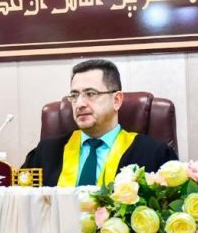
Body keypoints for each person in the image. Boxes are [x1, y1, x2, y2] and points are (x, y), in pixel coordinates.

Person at [22, 59, 178, 186]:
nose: (79, 104)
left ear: (116, 100)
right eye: (74, 95)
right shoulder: (46, 153)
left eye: (90, 94)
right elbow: (20, 202)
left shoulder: (154, 155)